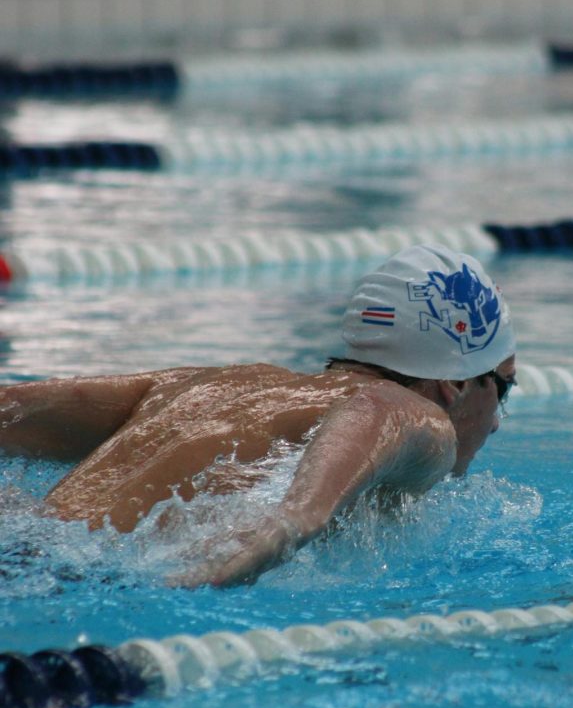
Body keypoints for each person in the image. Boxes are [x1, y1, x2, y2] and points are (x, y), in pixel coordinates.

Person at [0, 245, 516, 587]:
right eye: (504, 386)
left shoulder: (217, 383)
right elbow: (377, 408)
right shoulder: (421, 418)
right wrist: (292, 521)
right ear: (455, 384)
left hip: (29, 537)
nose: (496, 421)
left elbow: (13, 409)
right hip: (71, 575)